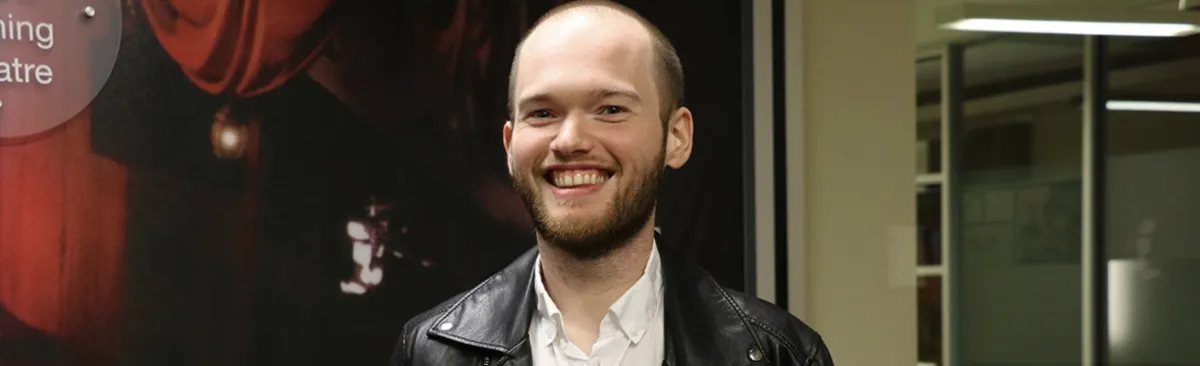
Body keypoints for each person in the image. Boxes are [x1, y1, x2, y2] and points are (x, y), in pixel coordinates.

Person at [390, 1, 835, 365]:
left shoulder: (783, 354)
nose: (570, 140)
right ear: (509, 145)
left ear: (676, 138)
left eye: (611, 110)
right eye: (542, 113)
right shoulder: (431, 353)